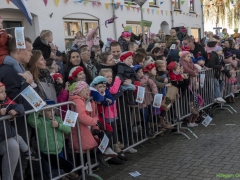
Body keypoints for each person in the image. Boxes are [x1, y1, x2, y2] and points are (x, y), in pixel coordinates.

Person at [0, 37, 34, 180]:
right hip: (16, 123)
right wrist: (27, 83)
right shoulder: (9, 71)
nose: (31, 54)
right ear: (19, 50)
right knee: (20, 159)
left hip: (22, 120)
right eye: (29, 50)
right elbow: (13, 100)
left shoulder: (18, 69)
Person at [68, 81, 116, 167]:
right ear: (79, 91)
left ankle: (100, 155)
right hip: (81, 130)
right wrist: (95, 122)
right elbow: (82, 117)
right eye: (85, 89)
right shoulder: (77, 101)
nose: (88, 91)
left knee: (106, 134)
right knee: (81, 151)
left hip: (89, 127)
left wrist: (95, 127)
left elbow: (94, 114)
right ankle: (83, 171)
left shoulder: (89, 100)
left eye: (88, 89)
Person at [27, 102, 79, 179]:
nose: (52, 112)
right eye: (49, 110)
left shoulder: (57, 119)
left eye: (53, 110)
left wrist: (58, 125)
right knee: (49, 171)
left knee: (60, 166)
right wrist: (39, 108)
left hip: (59, 149)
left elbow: (68, 130)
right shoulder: (40, 122)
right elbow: (31, 120)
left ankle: (62, 175)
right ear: (42, 112)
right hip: (47, 152)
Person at [0, 82, 39, 180]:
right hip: (4, 135)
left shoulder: (5, 102)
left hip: (7, 134)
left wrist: (16, 111)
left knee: (17, 140)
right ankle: (28, 151)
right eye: (1, 92)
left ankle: (28, 152)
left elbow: (19, 106)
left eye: (4, 91)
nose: (5, 94)